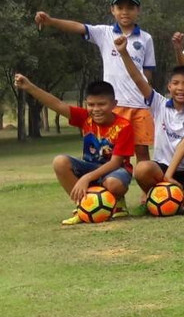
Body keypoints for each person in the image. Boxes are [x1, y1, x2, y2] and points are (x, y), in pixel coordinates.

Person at [34, 0, 155, 163]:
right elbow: (78, 27)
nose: (125, 12)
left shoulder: (146, 38)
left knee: (142, 152)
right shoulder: (104, 33)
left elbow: (147, 72)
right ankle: (115, 188)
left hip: (139, 105)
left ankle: (148, 191)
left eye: (130, 7)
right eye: (120, 8)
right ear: (112, 10)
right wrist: (51, 21)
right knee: (114, 154)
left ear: (138, 10)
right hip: (115, 104)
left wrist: (147, 98)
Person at [14, 74, 133, 224]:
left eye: (102, 104)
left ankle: (118, 205)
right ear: (86, 104)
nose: (96, 109)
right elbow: (56, 104)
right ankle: (83, 207)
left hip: (115, 171)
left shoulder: (123, 126)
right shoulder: (85, 118)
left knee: (113, 183)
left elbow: (116, 162)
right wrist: (29, 87)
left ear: (114, 104)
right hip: (91, 167)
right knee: (60, 162)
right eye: (91, 104)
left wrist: (86, 178)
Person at [115, 35, 184, 215]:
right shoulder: (158, 103)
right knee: (142, 168)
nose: (181, 88)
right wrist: (124, 52)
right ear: (169, 87)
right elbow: (137, 78)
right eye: (176, 83)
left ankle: (183, 191)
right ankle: (155, 195)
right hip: (162, 168)